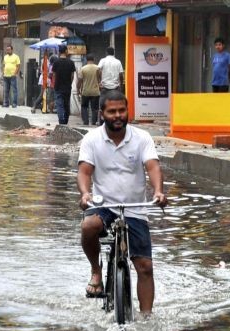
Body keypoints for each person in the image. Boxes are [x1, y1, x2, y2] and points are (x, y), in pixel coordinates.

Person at [77, 90, 166, 315]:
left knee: (145, 267)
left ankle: (147, 318)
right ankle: (96, 271)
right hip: (103, 206)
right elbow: (84, 172)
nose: (117, 115)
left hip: (135, 209)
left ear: (128, 111)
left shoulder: (142, 138)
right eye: (112, 111)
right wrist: (85, 194)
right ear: (102, 114)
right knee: (88, 226)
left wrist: (158, 192)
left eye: (122, 110)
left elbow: (153, 166)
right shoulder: (91, 139)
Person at [97, 47, 124, 119]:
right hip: (115, 88)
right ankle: (114, 118)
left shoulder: (103, 60)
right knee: (115, 105)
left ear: (106, 53)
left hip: (104, 87)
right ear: (113, 53)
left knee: (102, 104)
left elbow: (98, 70)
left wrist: (99, 82)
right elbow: (121, 74)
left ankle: (102, 120)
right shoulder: (118, 61)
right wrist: (121, 84)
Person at [51, 46, 76, 125]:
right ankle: (65, 120)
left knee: (59, 105)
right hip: (67, 87)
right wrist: (70, 83)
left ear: (59, 52)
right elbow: (72, 76)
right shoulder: (71, 62)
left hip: (58, 87)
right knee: (66, 104)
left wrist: (55, 84)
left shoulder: (56, 62)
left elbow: (54, 75)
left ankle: (61, 120)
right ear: (66, 51)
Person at [77, 54, 100, 126]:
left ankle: (86, 122)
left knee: (84, 107)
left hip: (85, 91)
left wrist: (78, 89)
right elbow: (100, 79)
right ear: (93, 59)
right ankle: (93, 122)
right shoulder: (97, 68)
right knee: (95, 108)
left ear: (86, 60)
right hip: (95, 91)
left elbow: (80, 81)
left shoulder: (83, 69)